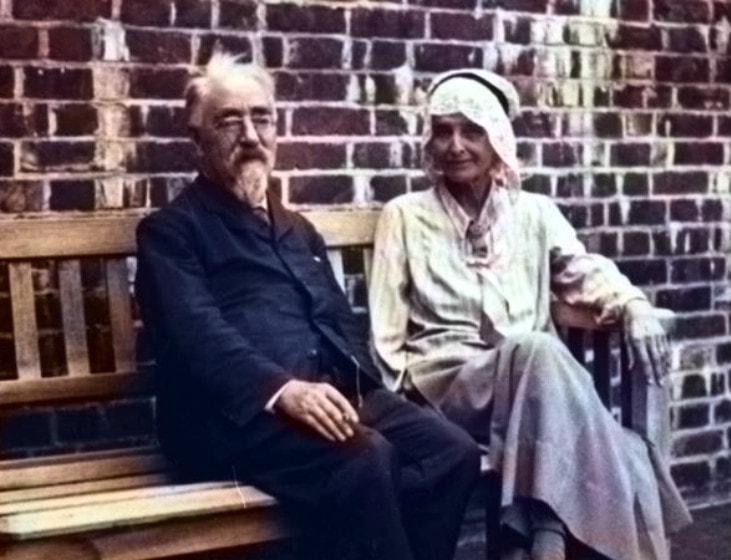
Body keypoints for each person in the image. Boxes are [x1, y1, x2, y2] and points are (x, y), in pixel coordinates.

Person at [134, 52, 481, 560]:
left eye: (262, 118)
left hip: (328, 394)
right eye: (229, 121)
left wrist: (371, 393)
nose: (250, 135)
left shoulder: (297, 229)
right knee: (366, 459)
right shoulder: (172, 232)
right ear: (197, 140)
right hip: (233, 417)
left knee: (452, 453)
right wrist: (281, 390)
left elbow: (336, 318)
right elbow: (196, 335)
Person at [368, 68, 692, 560]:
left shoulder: (534, 213)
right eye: (443, 131)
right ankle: (554, 530)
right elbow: (385, 329)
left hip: (535, 394)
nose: (455, 145)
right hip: (451, 387)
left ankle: (540, 531)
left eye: (471, 131)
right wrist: (398, 413)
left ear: (497, 138)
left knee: (534, 351)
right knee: (538, 348)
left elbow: (582, 271)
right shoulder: (406, 215)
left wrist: (633, 304)